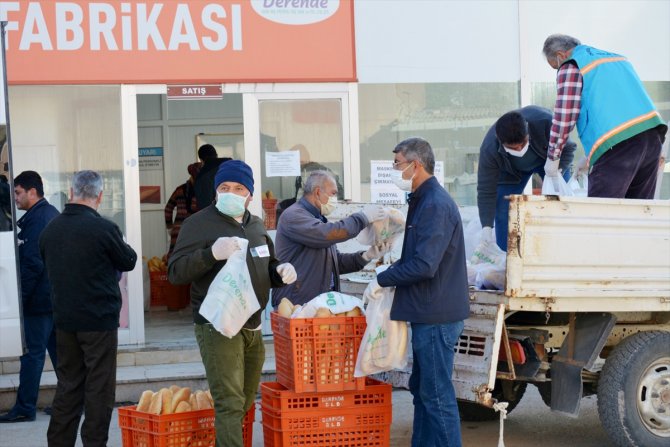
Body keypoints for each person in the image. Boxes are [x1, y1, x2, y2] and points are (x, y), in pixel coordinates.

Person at [168, 160, 297, 447]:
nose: (231, 192)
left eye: (239, 188)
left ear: (250, 194)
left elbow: (267, 263)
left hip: (252, 325)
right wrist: (210, 254)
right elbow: (175, 273)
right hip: (217, 325)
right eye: (224, 187)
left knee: (245, 400)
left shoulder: (256, 225)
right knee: (229, 402)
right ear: (215, 191)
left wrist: (279, 272)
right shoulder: (197, 224)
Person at [364, 137, 469, 447]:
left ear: (416, 165)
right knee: (423, 391)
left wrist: (384, 278)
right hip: (428, 312)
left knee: (436, 395)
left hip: (436, 315)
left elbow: (425, 265)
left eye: (398, 164)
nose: (395, 169)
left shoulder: (435, 204)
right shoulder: (423, 200)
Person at [39, 170, 137, 447]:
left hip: (65, 320)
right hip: (99, 321)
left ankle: (59, 442)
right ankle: (94, 443)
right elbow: (128, 260)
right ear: (100, 196)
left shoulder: (51, 229)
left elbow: (45, 259)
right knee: (99, 388)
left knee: (69, 385)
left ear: (71, 193)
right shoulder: (104, 229)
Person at [542, 34, 668, 198]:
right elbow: (615, 106)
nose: (558, 69)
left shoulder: (571, 65)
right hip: (652, 138)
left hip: (618, 146)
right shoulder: (617, 59)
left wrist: (553, 158)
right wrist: (590, 156)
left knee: (601, 214)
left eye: (555, 66)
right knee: (638, 213)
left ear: (561, 55)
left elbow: (564, 118)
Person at [272, 170, 388, 307]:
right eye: (333, 194)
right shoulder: (294, 216)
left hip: (319, 304)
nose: (335, 199)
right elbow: (328, 233)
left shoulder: (318, 219)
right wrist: (363, 218)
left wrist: (366, 256)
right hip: (297, 303)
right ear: (317, 192)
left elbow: (334, 263)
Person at [0, 171, 59, 423]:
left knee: (33, 354)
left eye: (18, 192)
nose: (14, 197)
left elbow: (33, 264)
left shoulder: (38, 220)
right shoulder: (48, 214)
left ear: (32, 192)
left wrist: (19, 300)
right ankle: (72, 403)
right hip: (53, 299)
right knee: (61, 356)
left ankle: (25, 407)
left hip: (40, 301)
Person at [477, 106, 576, 250]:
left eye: (522, 144)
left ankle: (561, 248)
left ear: (528, 131)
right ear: (501, 142)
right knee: (504, 211)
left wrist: (557, 168)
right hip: (510, 172)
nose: (519, 150)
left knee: (558, 204)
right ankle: (507, 259)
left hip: (548, 161)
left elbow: (569, 148)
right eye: (512, 148)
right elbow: (486, 189)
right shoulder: (490, 149)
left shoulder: (546, 123)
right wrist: (486, 226)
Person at [164, 162, 201, 259]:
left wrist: (170, 227)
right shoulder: (202, 192)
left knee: (174, 257)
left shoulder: (179, 189)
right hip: (195, 230)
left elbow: (168, 209)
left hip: (178, 230)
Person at [193, 143, 231, 210]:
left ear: (201, 160)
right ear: (216, 155)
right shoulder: (232, 167)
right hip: (236, 214)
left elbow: (204, 206)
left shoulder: (201, 177)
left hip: (215, 217)